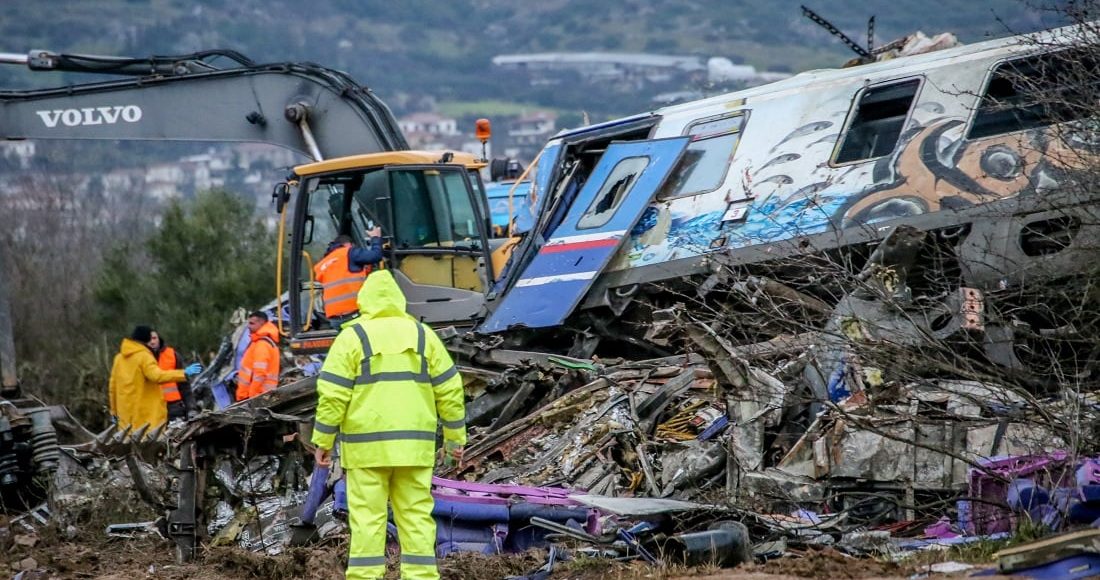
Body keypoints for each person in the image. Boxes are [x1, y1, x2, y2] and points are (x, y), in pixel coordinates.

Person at [311, 270, 465, 580]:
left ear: (364, 301)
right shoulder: (423, 335)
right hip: (414, 451)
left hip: (366, 452)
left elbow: (332, 396)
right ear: (399, 299)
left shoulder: (352, 338)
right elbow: (451, 391)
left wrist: (323, 441)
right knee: (417, 518)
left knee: (368, 521)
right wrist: (454, 441)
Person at [109, 325, 202, 431]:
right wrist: (183, 373)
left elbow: (113, 389)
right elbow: (157, 376)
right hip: (147, 417)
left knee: (130, 439)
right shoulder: (144, 356)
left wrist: (114, 413)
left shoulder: (118, 359)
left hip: (126, 418)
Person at [312, 227, 384, 323]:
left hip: (334, 318)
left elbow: (347, 276)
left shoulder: (321, 265)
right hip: (353, 313)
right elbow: (376, 255)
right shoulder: (348, 252)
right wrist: (375, 238)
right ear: (348, 245)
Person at [147, 330, 195, 421]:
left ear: (159, 339)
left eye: (154, 338)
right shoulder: (140, 360)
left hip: (174, 408)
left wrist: (191, 408)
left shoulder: (172, 355)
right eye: (148, 339)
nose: (152, 342)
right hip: (152, 411)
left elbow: (185, 386)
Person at [236, 311, 281, 401]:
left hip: (257, 396)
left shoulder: (262, 344)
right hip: (259, 395)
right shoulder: (261, 342)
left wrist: (253, 396)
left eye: (252, 323)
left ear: (261, 323)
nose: (249, 326)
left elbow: (260, 373)